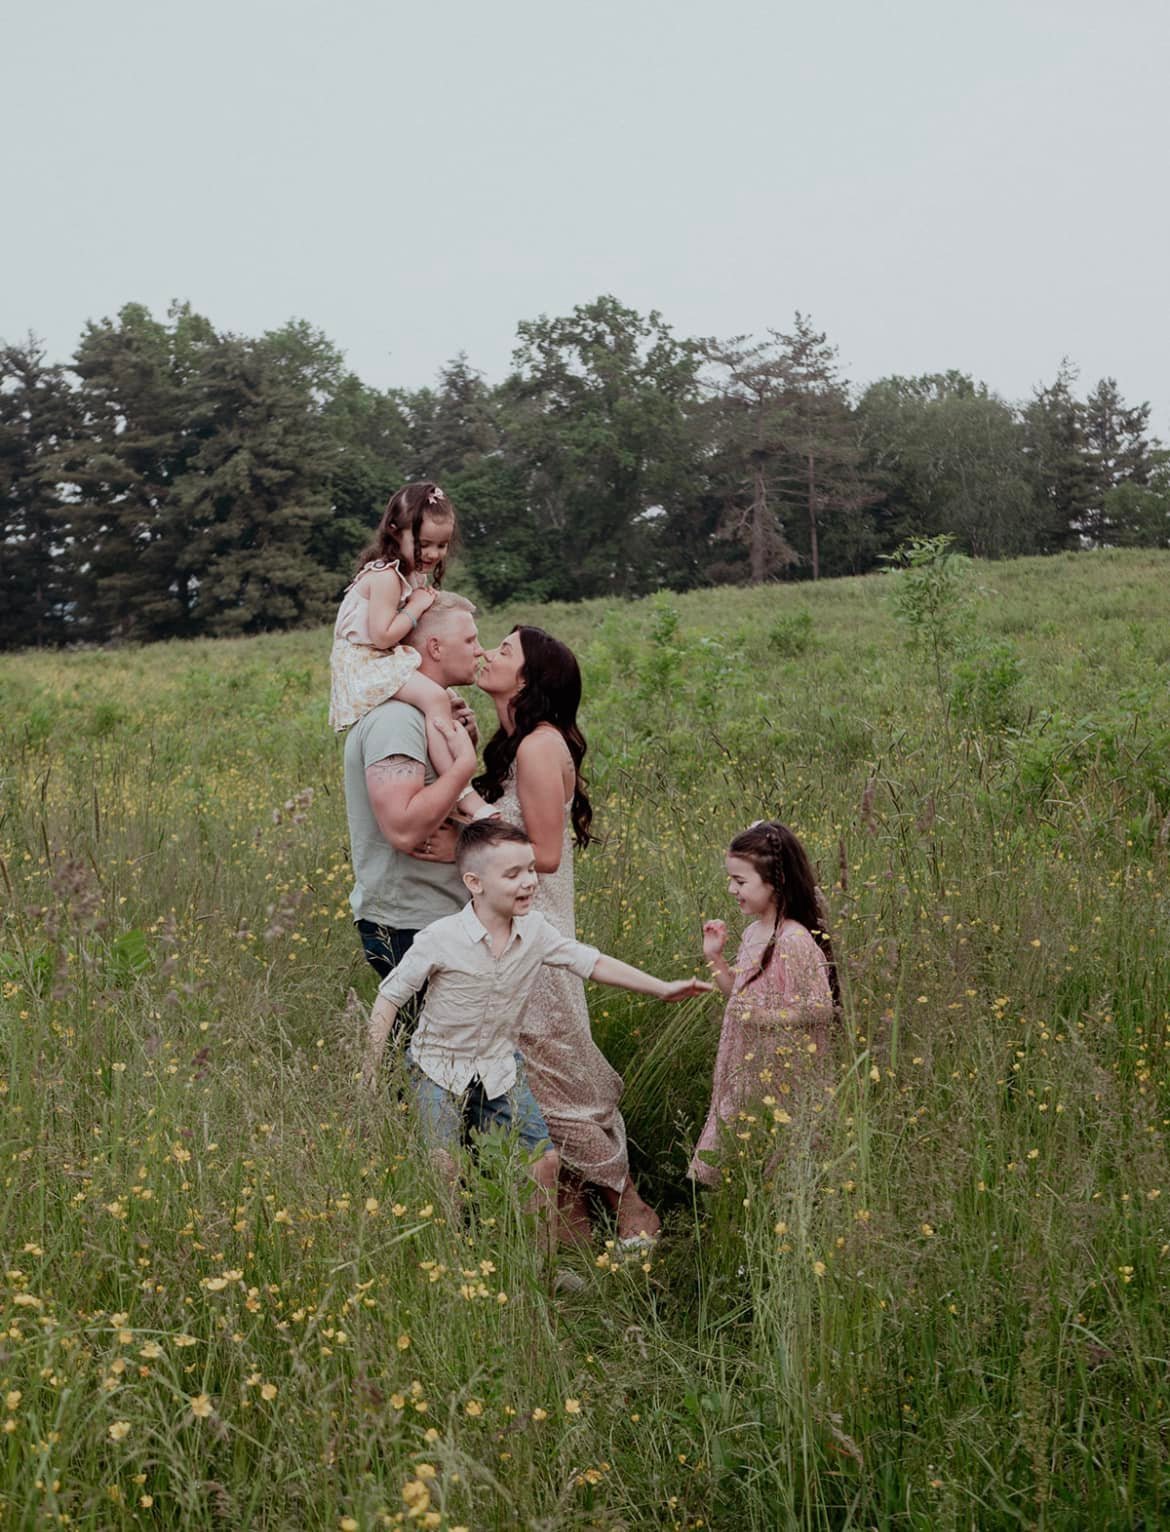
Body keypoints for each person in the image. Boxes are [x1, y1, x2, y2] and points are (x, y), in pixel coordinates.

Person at [362, 820, 711, 1252]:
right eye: (513, 874)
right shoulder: (441, 938)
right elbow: (389, 997)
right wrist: (370, 1071)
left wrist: (661, 987)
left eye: (530, 869)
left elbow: (592, 962)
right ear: (474, 883)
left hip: (499, 1067)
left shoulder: (537, 931)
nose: (529, 881)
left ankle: (540, 1270)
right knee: (444, 1166)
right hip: (438, 1068)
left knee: (544, 1163)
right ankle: (448, 1261)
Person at [475, 626, 662, 1245]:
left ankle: (631, 1204)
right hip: (509, 933)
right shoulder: (511, 743)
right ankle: (574, 1231)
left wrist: (470, 823)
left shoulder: (537, 746)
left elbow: (546, 855)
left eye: (504, 651)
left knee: (563, 1076)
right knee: (536, 1079)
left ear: (528, 679)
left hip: (537, 936)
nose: (488, 654)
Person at [343, 590, 483, 991]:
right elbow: (404, 828)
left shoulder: (426, 716)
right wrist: (462, 768)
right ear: (435, 647)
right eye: (470, 640)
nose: (480, 650)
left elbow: (440, 803)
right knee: (432, 1052)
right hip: (410, 924)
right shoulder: (397, 721)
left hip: (434, 915)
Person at [689, 819, 839, 1188]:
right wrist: (715, 958)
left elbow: (821, 1008)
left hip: (781, 1073)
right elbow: (738, 996)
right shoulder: (755, 933)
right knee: (728, 1150)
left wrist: (765, 1017)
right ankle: (726, 1214)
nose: (731, 889)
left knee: (774, 1153)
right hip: (745, 1069)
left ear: (775, 882)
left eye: (741, 882)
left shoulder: (794, 940)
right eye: (731, 880)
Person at [331, 481, 489, 819]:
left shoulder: (412, 574)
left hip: (384, 656)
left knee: (444, 700)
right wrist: (416, 607)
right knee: (434, 699)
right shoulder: (386, 576)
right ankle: (463, 791)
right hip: (366, 660)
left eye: (442, 545)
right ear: (394, 531)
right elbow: (384, 636)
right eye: (424, 544)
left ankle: (447, 788)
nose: (433, 554)